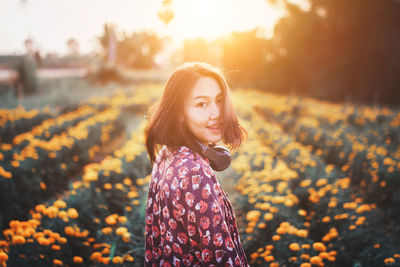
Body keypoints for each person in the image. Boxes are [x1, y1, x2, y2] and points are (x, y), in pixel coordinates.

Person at [144, 62, 249, 266]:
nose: (217, 113)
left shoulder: (167, 154)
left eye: (219, 101)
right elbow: (221, 259)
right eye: (201, 104)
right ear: (179, 113)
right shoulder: (194, 173)